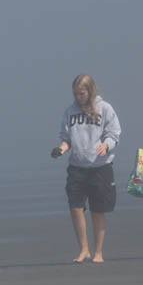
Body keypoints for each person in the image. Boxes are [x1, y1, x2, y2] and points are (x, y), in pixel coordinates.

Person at [51, 74, 122, 263]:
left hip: (100, 167)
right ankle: (84, 249)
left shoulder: (105, 108)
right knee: (76, 208)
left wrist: (106, 145)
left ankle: (98, 252)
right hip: (77, 167)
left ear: (90, 91)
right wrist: (61, 149)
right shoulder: (70, 111)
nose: (78, 97)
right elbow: (66, 138)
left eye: (81, 93)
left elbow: (114, 134)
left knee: (98, 210)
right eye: (75, 94)